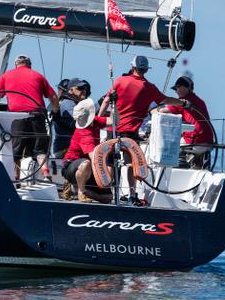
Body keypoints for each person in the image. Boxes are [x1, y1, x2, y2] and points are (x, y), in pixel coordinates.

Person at [98, 55, 188, 201]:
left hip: (113, 129)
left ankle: (108, 193)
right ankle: (132, 195)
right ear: (146, 70)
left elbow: (107, 100)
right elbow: (165, 99)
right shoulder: (149, 88)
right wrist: (182, 103)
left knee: (110, 162)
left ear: (133, 67)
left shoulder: (120, 81)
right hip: (130, 133)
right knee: (130, 163)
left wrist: (99, 120)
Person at [0, 55, 59, 180]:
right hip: (37, 115)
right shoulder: (38, 76)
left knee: (16, 150)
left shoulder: (7, 76)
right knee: (40, 148)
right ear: (29, 65)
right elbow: (53, 98)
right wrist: (55, 111)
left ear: (16, 64)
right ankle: (46, 173)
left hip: (17, 117)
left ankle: (16, 178)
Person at [62, 98, 115, 203]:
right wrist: (105, 174)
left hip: (89, 168)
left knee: (107, 198)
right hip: (71, 166)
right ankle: (80, 191)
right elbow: (94, 157)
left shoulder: (95, 121)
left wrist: (114, 105)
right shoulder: (84, 133)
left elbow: (114, 121)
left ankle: (76, 188)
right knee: (85, 163)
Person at [160, 76, 213, 168]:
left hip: (196, 141)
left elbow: (162, 111)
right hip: (208, 142)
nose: (176, 91)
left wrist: (152, 108)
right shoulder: (200, 101)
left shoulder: (183, 102)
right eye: (175, 89)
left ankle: (170, 167)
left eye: (178, 88)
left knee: (170, 143)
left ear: (187, 88)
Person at [52, 78, 90, 156]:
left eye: (84, 89)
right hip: (66, 148)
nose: (83, 91)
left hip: (70, 147)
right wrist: (101, 101)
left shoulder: (73, 104)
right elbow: (78, 123)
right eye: (80, 88)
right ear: (70, 90)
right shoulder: (67, 103)